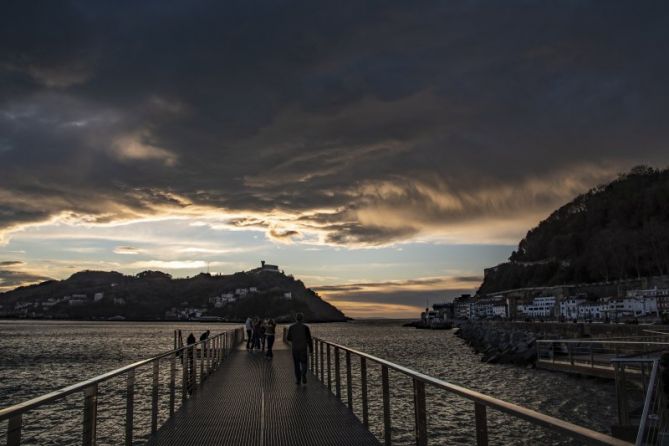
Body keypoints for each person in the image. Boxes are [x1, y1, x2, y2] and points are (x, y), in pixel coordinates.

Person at [286, 313, 312, 385]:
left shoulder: (291, 327)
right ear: (302, 318)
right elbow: (309, 339)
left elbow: (288, 338)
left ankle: (298, 380)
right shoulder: (306, 327)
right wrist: (311, 349)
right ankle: (303, 374)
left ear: (296, 318)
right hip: (303, 348)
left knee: (296, 364)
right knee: (304, 363)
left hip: (295, 348)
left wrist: (294, 339)